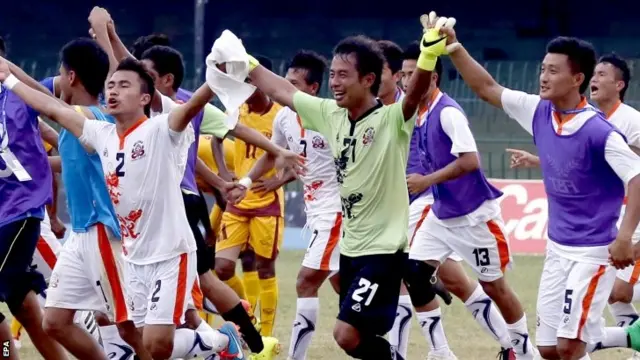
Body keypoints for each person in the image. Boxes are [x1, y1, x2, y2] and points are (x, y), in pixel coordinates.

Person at [217, 14, 454, 359]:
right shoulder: (329, 114)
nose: (335, 83)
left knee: (344, 333)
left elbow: (413, 96)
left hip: (384, 250)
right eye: (332, 75)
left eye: (344, 75)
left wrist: (429, 53)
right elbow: (281, 90)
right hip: (351, 248)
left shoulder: (391, 119)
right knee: (358, 339)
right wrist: (244, 59)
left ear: (369, 79)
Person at [0, 54, 265, 359]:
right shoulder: (102, 134)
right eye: (110, 85)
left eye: (123, 85)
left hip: (169, 254)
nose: (112, 90)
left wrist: (217, 77)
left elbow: (191, 107)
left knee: (152, 344)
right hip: (131, 252)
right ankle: (208, 339)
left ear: (145, 98)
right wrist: (8, 78)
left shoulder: (161, 128)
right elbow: (52, 109)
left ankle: (216, 342)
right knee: (110, 331)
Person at [441, 18, 640, 359]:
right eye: (543, 69)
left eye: (553, 71)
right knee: (548, 349)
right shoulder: (538, 111)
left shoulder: (599, 132)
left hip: (592, 253)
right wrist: (454, 48)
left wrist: (624, 237)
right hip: (556, 249)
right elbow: (487, 88)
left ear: (577, 79)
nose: (543, 77)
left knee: (570, 347)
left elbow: (637, 178)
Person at [138, 43, 286, 357]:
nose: (135, 80)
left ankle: (243, 340)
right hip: (160, 206)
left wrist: (278, 152)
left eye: (145, 74)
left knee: (208, 276)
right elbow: (192, 154)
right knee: (198, 277)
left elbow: (236, 129)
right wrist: (220, 180)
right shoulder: (137, 107)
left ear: (166, 79)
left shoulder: (185, 105)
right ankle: (223, 337)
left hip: (181, 203)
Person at [508, 53, 640, 359]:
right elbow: (580, 164)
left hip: (624, 222)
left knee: (617, 292)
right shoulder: (584, 118)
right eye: (594, 73)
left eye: (603, 75)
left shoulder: (629, 121)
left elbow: (633, 173)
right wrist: (538, 161)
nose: (595, 79)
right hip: (609, 218)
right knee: (610, 299)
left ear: (619, 85)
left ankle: (626, 339)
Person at [398, 40, 517, 360]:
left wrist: (426, 181)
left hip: (473, 214)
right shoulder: (416, 112)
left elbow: (470, 161)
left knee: (494, 287)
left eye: (413, 73)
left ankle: (521, 350)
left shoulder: (447, 111)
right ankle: (439, 351)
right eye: (403, 75)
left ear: (432, 77)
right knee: (413, 273)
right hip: (440, 212)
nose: (406, 81)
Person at [239, 50, 342, 360]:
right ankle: (391, 325)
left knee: (305, 281)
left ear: (312, 88)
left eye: (293, 83)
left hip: (336, 211)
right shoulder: (284, 118)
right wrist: (246, 183)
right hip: (316, 213)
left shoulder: (330, 115)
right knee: (343, 286)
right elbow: (274, 154)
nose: (284, 88)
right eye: (285, 81)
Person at [0, 43, 68, 360]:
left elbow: (69, 83)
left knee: (62, 297)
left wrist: (10, 72)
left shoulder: (20, 96)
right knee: (23, 304)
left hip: (21, 213)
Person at [215, 55, 285, 339]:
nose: (244, 87)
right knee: (221, 267)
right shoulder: (235, 110)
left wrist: (278, 181)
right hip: (238, 199)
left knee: (265, 267)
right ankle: (248, 317)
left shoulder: (282, 114)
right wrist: (223, 172)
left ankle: (265, 337)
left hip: (267, 204)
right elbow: (217, 137)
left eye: (249, 82)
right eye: (241, 82)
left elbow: (296, 155)